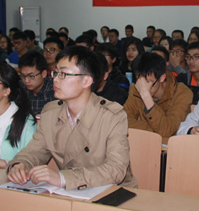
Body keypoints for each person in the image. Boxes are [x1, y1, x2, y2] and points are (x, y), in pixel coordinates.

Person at [7, 46, 136, 190]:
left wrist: (63, 178)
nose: (55, 79)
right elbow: (34, 151)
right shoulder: (50, 113)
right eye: (56, 73)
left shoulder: (112, 116)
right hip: (72, 191)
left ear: (86, 81)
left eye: (63, 74)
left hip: (111, 192)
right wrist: (20, 165)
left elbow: (116, 169)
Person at [124, 52, 193, 141]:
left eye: (148, 83)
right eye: (140, 82)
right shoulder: (137, 88)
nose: (144, 87)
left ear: (162, 78)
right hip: (144, 142)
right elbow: (123, 120)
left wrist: (146, 97)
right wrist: (154, 130)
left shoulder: (182, 93)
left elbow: (168, 130)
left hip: (171, 146)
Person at [18, 51, 56, 115]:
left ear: (43, 74)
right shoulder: (20, 88)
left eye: (31, 76)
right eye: (23, 76)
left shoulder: (54, 90)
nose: (26, 80)